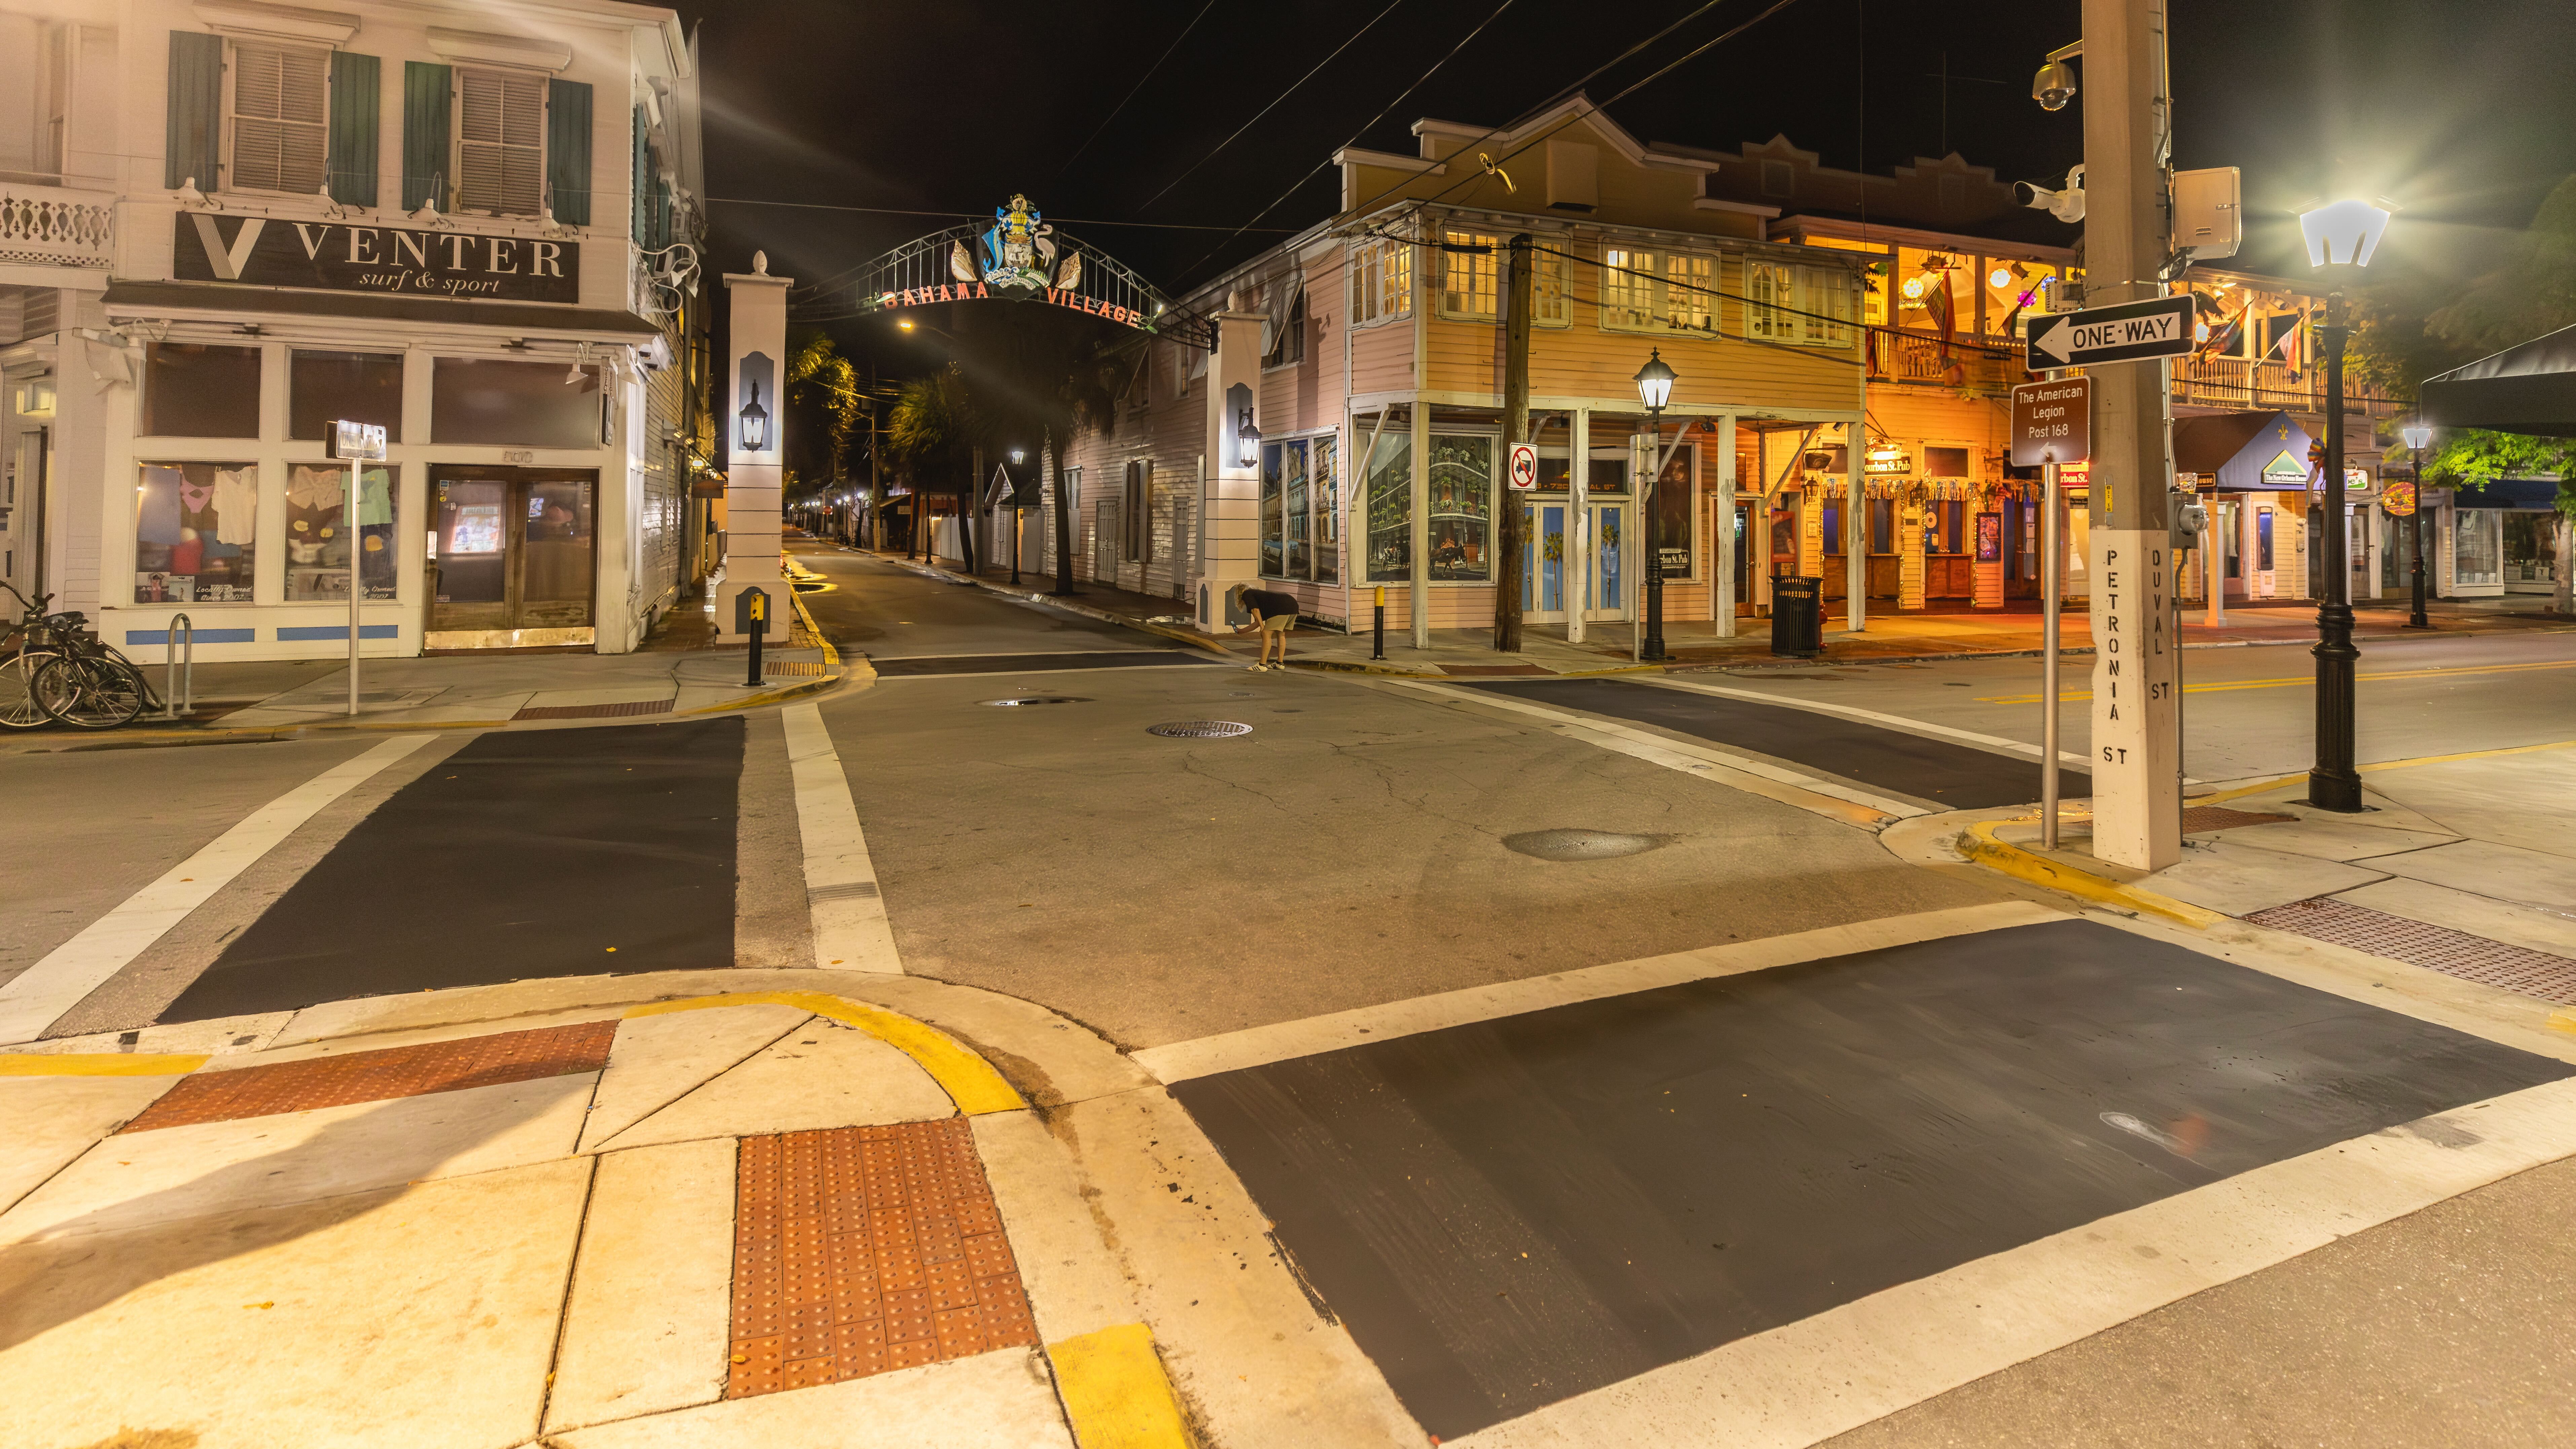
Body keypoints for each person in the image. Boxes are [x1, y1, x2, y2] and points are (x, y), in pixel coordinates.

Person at [1230, 582, 1301, 671]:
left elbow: (1255, 611)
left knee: (1266, 634)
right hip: (1292, 605)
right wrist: (1241, 631)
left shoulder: (1247, 594)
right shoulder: (1261, 598)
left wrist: (1262, 627)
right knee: (1281, 634)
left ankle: (1262, 665)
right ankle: (1280, 663)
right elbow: (1257, 621)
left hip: (1281, 608)